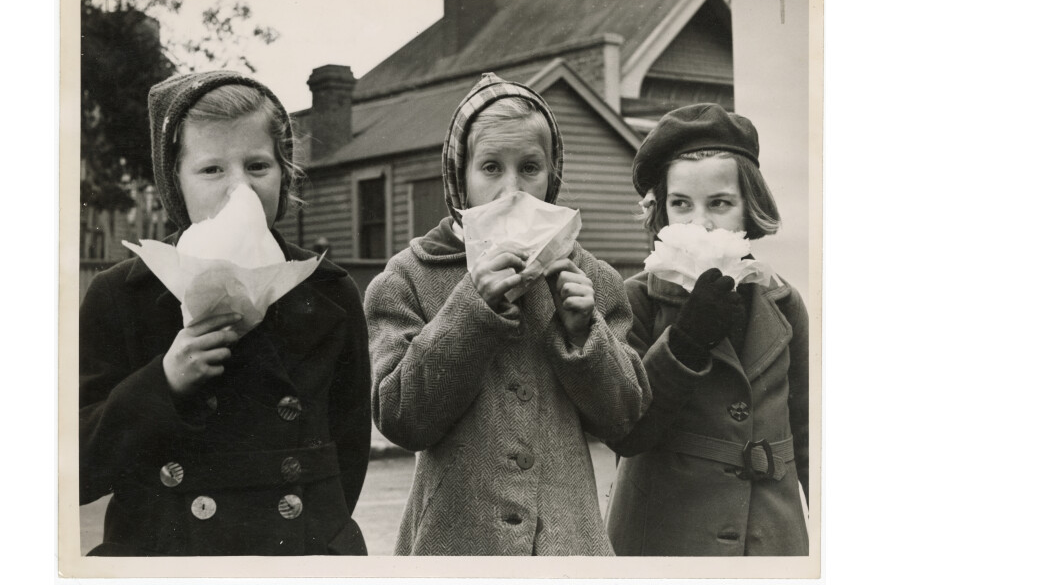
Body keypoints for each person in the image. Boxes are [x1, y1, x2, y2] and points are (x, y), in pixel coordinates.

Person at [79, 71, 371, 556]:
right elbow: (74, 472)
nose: (240, 190)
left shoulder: (329, 292)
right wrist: (163, 383)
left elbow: (349, 452)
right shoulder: (121, 296)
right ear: (176, 181)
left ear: (285, 172)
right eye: (213, 170)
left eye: (257, 166)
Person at [364, 73, 650, 556]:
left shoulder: (593, 279)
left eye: (530, 168)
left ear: (552, 175)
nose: (512, 191)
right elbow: (401, 419)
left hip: (567, 549)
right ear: (460, 176)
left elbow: (623, 420)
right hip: (453, 546)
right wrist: (471, 308)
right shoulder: (407, 278)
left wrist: (585, 333)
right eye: (491, 168)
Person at [604, 103, 809, 556]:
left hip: (769, 539)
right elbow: (625, 430)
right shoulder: (634, 299)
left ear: (748, 208)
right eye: (682, 205)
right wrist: (686, 339)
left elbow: (809, 430)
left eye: (719, 203)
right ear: (661, 213)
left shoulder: (784, 301)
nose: (699, 222)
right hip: (666, 537)